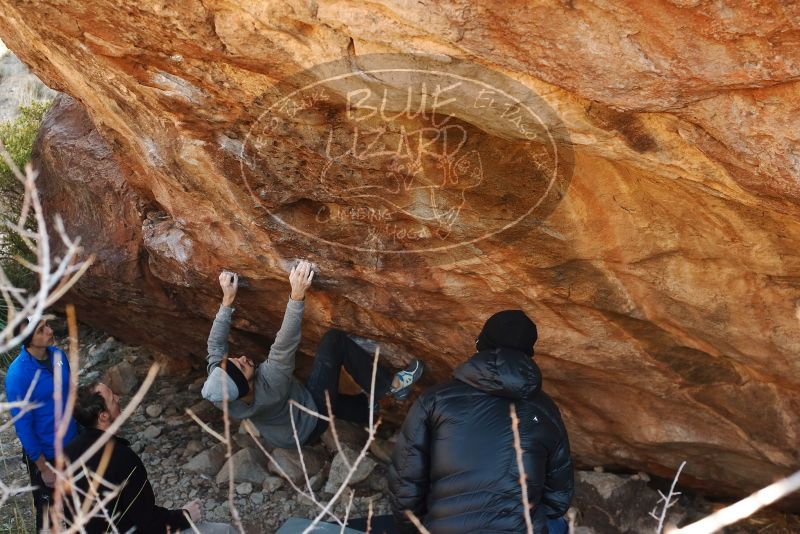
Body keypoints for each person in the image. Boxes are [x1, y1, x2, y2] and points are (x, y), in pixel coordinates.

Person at [201, 260, 425, 449]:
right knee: (333, 342)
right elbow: (284, 345)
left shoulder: (220, 392)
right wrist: (297, 295)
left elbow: (215, 346)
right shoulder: (272, 384)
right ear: (247, 387)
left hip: (283, 434)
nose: (242, 358)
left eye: (233, 360)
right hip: (310, 423)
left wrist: (227, 300)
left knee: (322, 390)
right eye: (242, 367)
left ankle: (367, 412)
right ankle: (391, 385)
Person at [388, 310, 574, 534]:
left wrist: (414, 528)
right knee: (558, 524)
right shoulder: (545, 411)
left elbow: (404, 483)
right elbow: (559, 498)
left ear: (479, 345)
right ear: (529, 355)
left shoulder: (435, 399)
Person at [63, 382, 235, 533]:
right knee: (225, 531)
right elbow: (148, 522)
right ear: (103, 416)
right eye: (112, 398)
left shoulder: (69, 453)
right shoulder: (122, 458)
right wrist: (186, 515)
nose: (118, 398)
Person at [5, 314, 78, 531]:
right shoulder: (18, 376)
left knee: (78, 505)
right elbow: (23, 426)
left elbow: (70, 391)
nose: (49, 331)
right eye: (40, 330)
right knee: (48, 514)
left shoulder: (58, 356)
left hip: (73, 444)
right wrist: (43, 467)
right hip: (46, 454)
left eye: (46, 325)